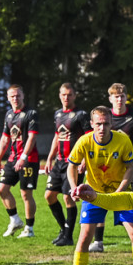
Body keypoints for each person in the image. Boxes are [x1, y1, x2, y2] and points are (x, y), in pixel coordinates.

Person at [61, 106, 133, 265]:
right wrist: (75, 187)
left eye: (106, 123)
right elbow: (72, 166)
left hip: (120, 193)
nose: (102, 128)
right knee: (84, 237)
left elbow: (131, 167)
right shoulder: (84, 141)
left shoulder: (122, 140)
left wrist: (119, 191)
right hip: (93, 193)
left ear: (111, 124)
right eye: (98, 124)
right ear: (91, 124)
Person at [91, 83, 133, 253]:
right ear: (110, 99)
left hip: (132, 166)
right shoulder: (105, 117)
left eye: (122, 96)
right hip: (108, 168)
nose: (119, 99)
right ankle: (98, 241)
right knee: (101, 200)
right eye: (116, 97)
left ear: (126, 97)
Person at [43, 82, 89, 247]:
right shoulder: (58, 114)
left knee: (67, 197)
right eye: (63, 94)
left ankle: (68, 236)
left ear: (74, 96)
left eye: (69, 95)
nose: (66, 97)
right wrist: (50, 157)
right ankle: (64, 229)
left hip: (74, 163)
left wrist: (84, 159)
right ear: (59, 95)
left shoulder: (81, 115)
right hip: (59, 162)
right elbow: (57, 136)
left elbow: (88, 138)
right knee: (49, 196)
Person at [0, 84, 40, 238]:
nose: (15, 98)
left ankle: (29, 229)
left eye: (18, 95)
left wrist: (23, 158)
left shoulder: (31, 113)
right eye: (12, 96)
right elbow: (5, 138)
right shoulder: (8, 115)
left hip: (28, 160)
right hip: (12, 159)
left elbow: (32, 137)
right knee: (2, 190)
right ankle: (14, 220)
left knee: (26, 194)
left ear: (23, 96)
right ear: (8, 98)